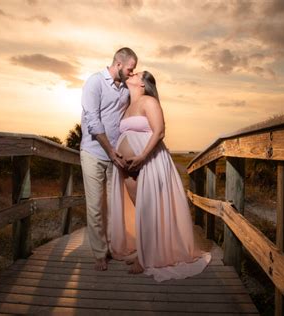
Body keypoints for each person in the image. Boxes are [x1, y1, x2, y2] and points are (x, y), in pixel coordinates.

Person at [109, 71, 211, 282]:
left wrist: (142, 157)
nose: (133, 73)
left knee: (149, 207)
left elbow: (160, 131)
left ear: (143, 84)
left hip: (149, 162)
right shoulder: (127, 106)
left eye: (138, 73)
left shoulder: (149, 101)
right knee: (141, 210)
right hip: (129, 167)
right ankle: (144, 249)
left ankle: (146, 258)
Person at [80, 47, 138, 271]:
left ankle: (115, 248)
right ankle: (99, 254)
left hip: (116, 157)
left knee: (115, 207)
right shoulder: (94, 82)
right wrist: (110, 151)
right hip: (94, 153)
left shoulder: (125, 89)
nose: (132, 73)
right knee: (95, 206)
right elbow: (93, 121)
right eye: (130, 69)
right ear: (119, 65)